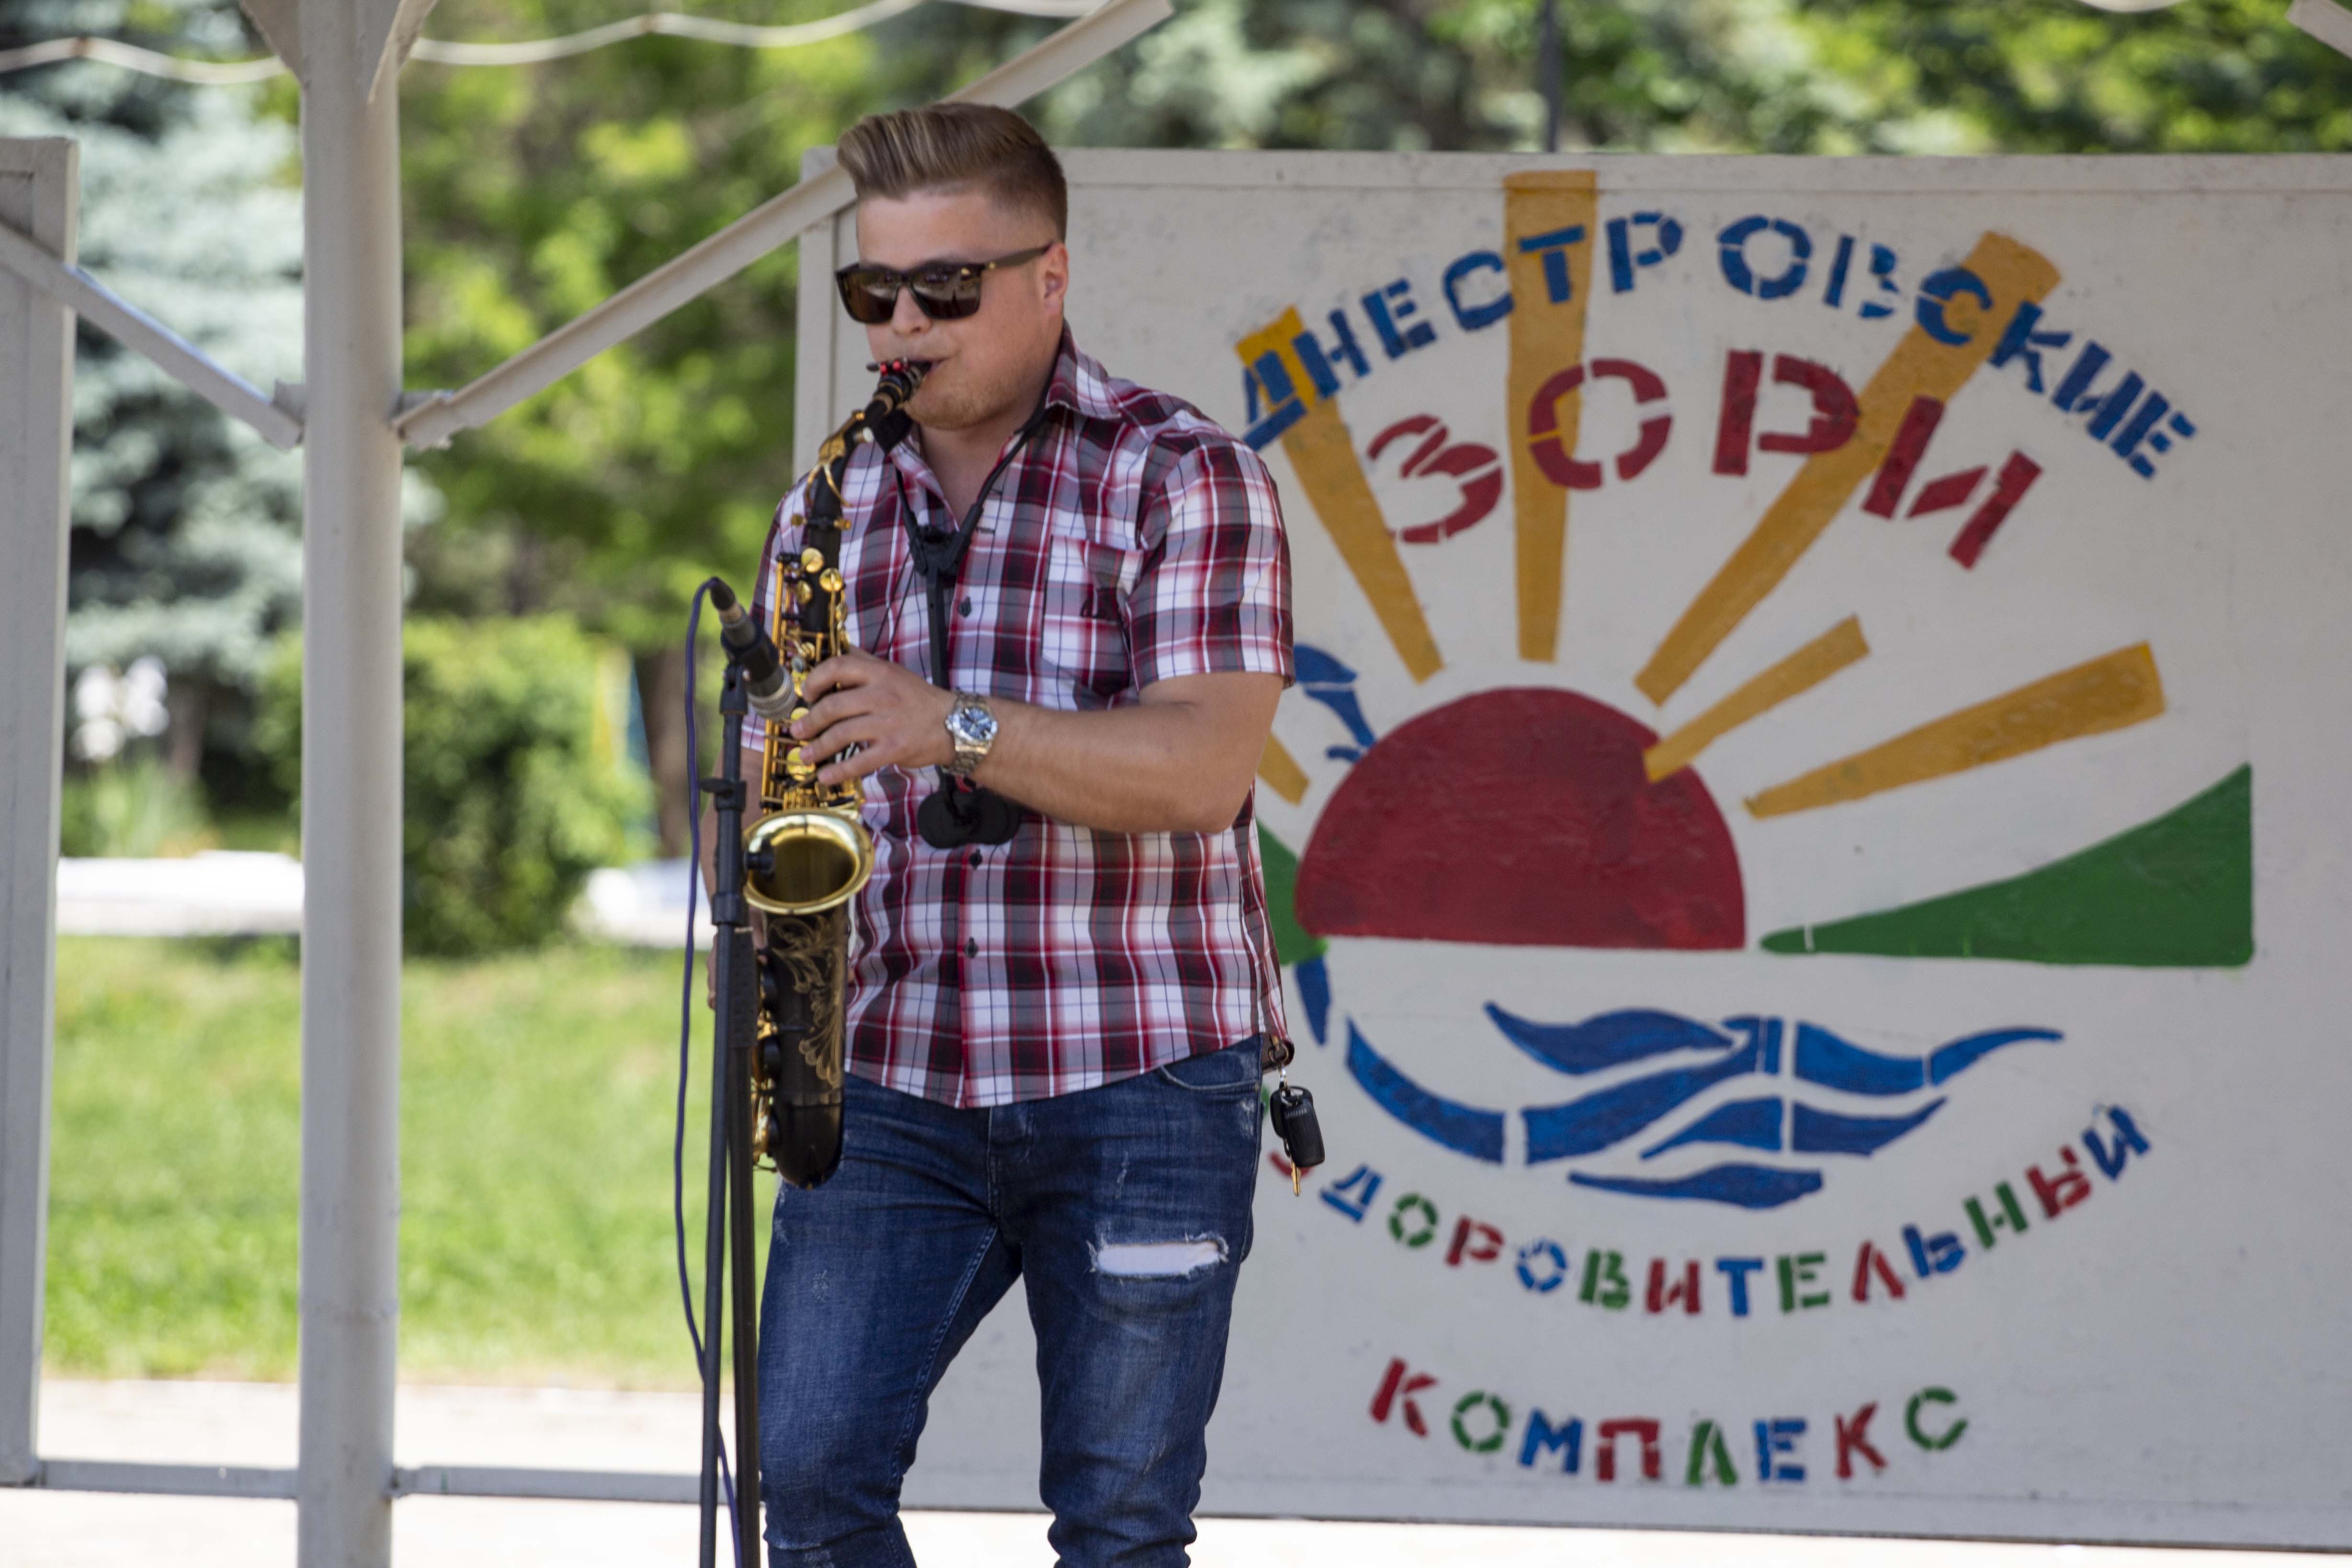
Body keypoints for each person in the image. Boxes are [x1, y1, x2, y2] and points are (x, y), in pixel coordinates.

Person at [736, 102, 1294, 1567]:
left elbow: (1204, 771)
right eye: (873, 293)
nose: (901, 328)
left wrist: (952, 724)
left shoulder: (1185, 473)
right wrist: (773, 794)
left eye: (943, 290)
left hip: (1140, 1068)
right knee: (809, 1482)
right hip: (893, 1063)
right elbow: (784, 774)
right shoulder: (827, 505)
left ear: (1050, 278)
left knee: (1120, 1524)